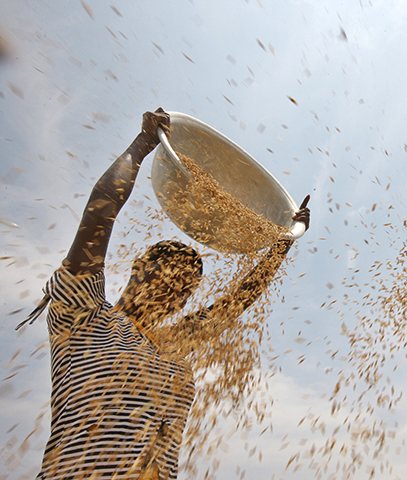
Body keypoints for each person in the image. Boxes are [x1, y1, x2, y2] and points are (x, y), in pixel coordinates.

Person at [18, 108, 311, 479]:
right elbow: (100, 212)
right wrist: (141, 145)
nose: (173, 291)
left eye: (184, 289)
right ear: (139, 269)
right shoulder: (83, 313)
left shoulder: (169, 345)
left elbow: (236, 302)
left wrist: (282, 241)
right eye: (167, 275)